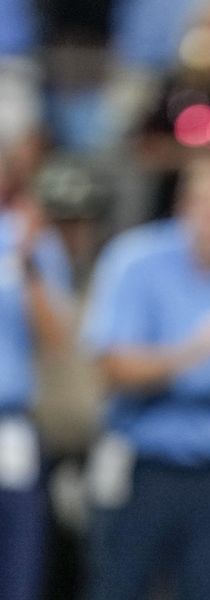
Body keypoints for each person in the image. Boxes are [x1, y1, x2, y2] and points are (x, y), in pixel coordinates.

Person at [81, 153, 210, 600]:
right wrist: (197, 349)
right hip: (142, 465)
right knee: (118, 587)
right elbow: (112, 368)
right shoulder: (136, 260)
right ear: (185, 208)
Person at [1, 172, 72, 600]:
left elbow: (55, 338)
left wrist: (28, 262)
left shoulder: (33, 239)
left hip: (9, 425)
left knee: (17, 571)